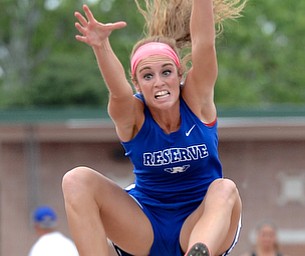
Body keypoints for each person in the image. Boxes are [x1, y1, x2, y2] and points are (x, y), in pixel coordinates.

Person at [62, 0, 246, 255]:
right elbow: (117, 92)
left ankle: (198, 252)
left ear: (179, 74)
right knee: (76, 180)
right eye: (148, 76)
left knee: (225, 188)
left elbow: (204, 46)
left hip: (198, 225)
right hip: (146, 228)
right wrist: (101, 46)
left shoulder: (197, 102)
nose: (159, 82)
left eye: (166, 72)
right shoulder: (132, 116)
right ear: (137, 84)